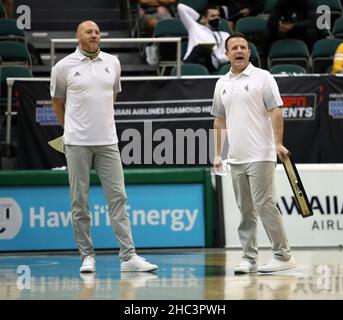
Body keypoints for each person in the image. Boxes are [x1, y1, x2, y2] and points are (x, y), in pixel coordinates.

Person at [50, 20, 158, 273]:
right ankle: (86, 256)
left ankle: (128, 257)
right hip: (77, 143)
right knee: (80, 201)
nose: (95, 35)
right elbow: (57, 103)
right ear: (77, 37)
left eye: (98, 32)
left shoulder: (113, 62)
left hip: (109, 142)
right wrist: (70, 131)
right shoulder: (62, 67)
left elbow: (112, 97)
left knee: (118, 198)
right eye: (89, 32)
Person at [211, 32, 297, 274]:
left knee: (264, 204)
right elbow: (219, 121)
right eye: (234, 48)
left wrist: (278, 143)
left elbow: (276, 111)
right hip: (235, 158)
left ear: (249, 52)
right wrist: (218, 154)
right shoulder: (221, 84)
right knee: (245, 210)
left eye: (243, 47)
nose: (239, 51)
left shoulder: (263, 77)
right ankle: (249, 259)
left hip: (261, 154)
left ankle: (283, 255)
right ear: (226, 54)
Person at [177, 3, 230, 73]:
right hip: (194, 59)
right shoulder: (195, 27)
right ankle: (186, 68)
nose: (216, 18)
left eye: (218, 16)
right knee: (200, 59)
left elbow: (227, 55)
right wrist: (199, 18)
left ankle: (183, 69)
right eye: (213, 16)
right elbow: (180, 7)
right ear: (205, 18)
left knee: (200, 48)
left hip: (211, 63)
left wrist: (216, 55)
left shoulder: (225, 35)